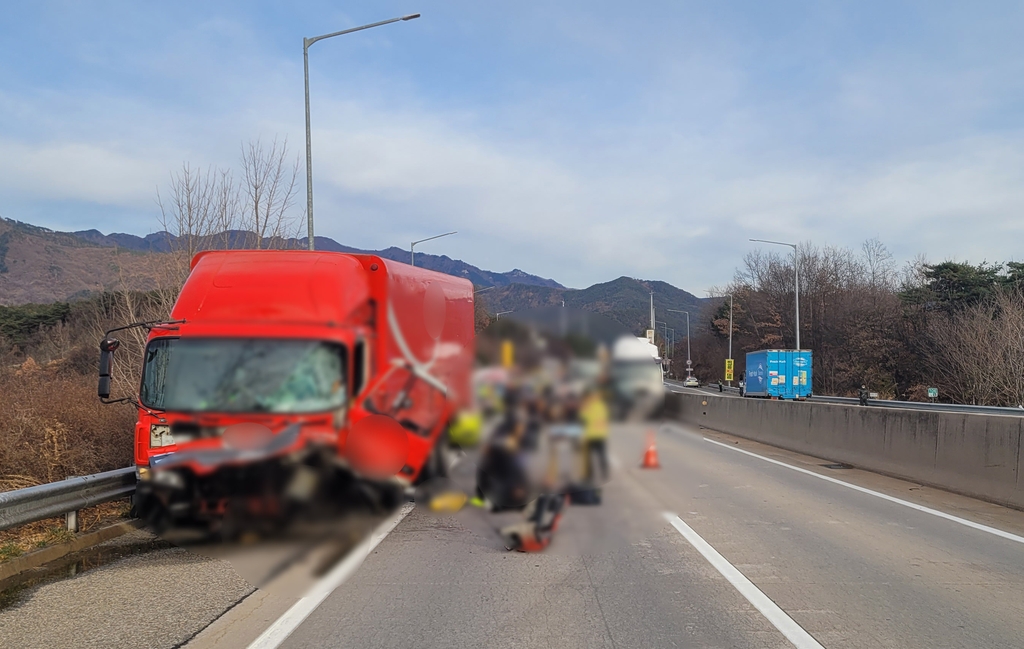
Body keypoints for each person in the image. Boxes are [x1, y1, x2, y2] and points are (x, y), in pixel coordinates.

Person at [578, 388, 609, 486]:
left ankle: (590, 476)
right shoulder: (602, 406)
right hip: (600, 434)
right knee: (601, 455)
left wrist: (584, 408)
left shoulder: (589, 406)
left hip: (591, 435)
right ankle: (604, 473)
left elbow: (583, 417)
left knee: (589, 457)